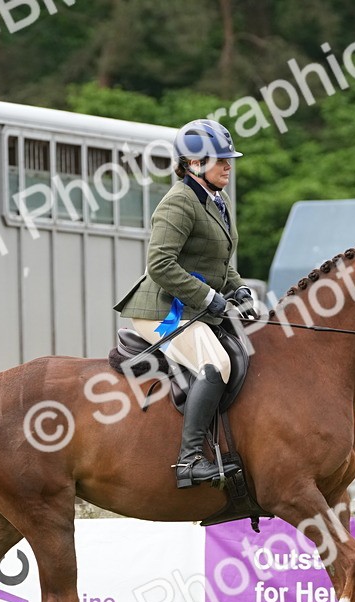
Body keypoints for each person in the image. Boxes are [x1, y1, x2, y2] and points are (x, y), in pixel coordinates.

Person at [114, 119, 259, 488]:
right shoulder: (178, 202)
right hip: (162, 310)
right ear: (194, 164)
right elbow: (160, 264)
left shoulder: (217, 200)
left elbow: (220, 262)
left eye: (229, 160)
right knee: (215, 362)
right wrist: (209, 297)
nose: (229, 166)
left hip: (192, 306)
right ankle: (190, 460)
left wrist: (238, 289)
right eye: (220, 160)